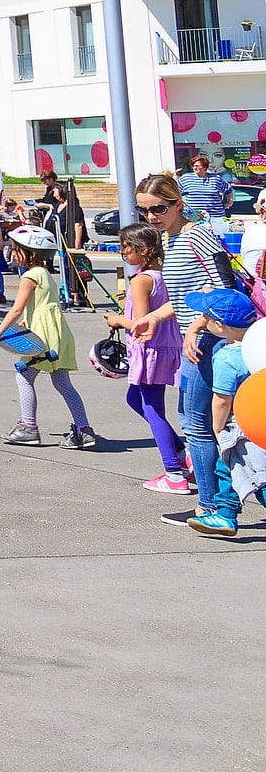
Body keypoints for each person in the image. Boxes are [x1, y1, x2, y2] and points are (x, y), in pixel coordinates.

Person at [140, 172, 237, 524]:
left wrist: (195, 326)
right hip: (195, 337)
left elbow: (222, 289)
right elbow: (185, 297)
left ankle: (210, 506)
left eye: (159, 209)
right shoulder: (174, 238)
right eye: (145, 211)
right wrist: (155, 317)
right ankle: (219, 503)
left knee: (197, 423)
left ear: (179, 204)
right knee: (211, 422)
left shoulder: (198, 236)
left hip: (208, 339)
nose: (152, 217)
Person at [0, 226, 92, 447]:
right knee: (63, 384)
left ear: (30, 253)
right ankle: (84, 430)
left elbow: (15, 310)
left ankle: (28, 427)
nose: (12, 253)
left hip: (42, 338)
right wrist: (29, 319)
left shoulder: (30, 277)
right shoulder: (44, 274)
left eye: (16, 249)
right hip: (57, 333)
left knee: (23, 378)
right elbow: (42, 305)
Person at [104, 226, 189, 493]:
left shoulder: (141, 280)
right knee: (135, 399)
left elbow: (139, 322)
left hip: (149, 349)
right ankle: (179, 450)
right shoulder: (163, 275)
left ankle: (174, 473)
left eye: (125, 248)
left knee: (152, 407)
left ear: (142, 250)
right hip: (164, 347)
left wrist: (117, 319)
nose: (122, 253)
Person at [184, 286, 257, 538]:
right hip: (260, 421)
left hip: (239, 426)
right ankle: (225, 514)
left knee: (235, 470)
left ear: (217, 325)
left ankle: (225, 515)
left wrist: (217, 427)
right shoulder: (259, 348)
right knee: (245, 471)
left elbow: (221, 400)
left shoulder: (227, 358)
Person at [33, 169, 86, 250]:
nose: (54, 195)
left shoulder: (72, 205)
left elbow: (78, 225)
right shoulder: (51, 193)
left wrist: (77, 242)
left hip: (67, 237)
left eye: (45, 180)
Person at [178, 149, 232, 224]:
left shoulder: (215, 178)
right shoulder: (185, 178)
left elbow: (228, 190)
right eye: (193, 166)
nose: (195, 168)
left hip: (215, 217)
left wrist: (229, 202)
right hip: (193, 217)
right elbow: (175, 193)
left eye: (197, 166)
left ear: (205, 167)